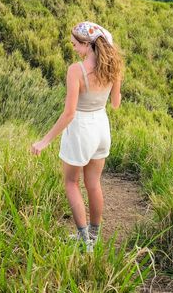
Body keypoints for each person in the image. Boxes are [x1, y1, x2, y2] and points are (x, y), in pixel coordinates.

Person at [30, 21, 124, 250]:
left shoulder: (76, 70)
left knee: (71, 182)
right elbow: (115, 104)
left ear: (87, 44)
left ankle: (84, 242)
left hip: (81, 129)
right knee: (93, 183)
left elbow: (69, 113)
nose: (73, 48)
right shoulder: (113, 66)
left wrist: (44, 141)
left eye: (75, 44)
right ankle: (94, 236)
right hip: (102, 126)